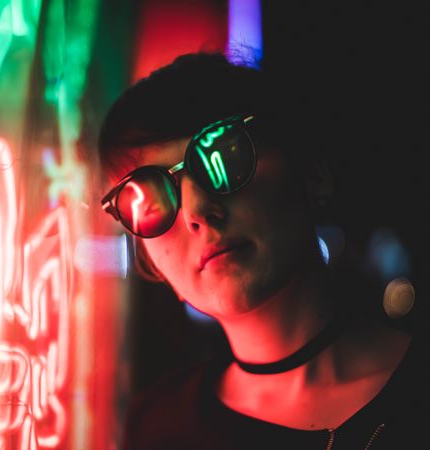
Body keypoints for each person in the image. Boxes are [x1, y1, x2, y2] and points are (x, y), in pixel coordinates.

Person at [97, 52, 427, 449]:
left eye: (225, 157)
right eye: (151, 201)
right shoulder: (157, 429)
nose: (198, 211)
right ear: (150, 260)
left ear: (313, 174)